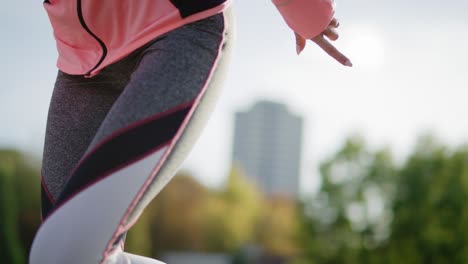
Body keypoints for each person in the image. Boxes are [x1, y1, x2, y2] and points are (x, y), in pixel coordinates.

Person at [29, 0, 351, 263]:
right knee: (62, 257)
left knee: (60, 252)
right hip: (80, 62)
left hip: (179, 29)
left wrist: (308, 10)